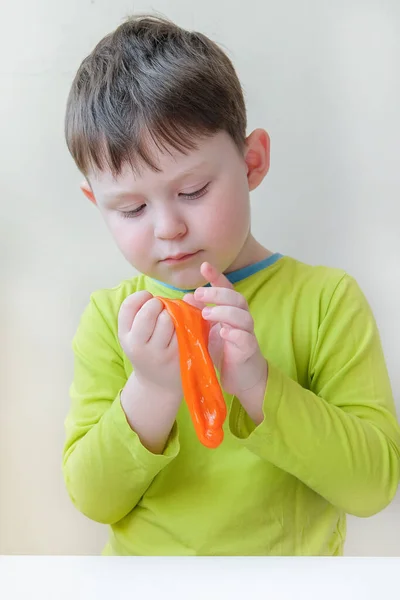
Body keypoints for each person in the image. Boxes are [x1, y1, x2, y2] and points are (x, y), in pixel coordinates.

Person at [62, 14, 400, 556]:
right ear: (96, 205)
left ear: (252, 162)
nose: (167, 227)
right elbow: (94, 498)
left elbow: (372, 487)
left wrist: (259, 384)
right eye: (131, 207)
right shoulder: (110, 320)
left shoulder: (327, 302)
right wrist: (150, 388)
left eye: (193, 190)